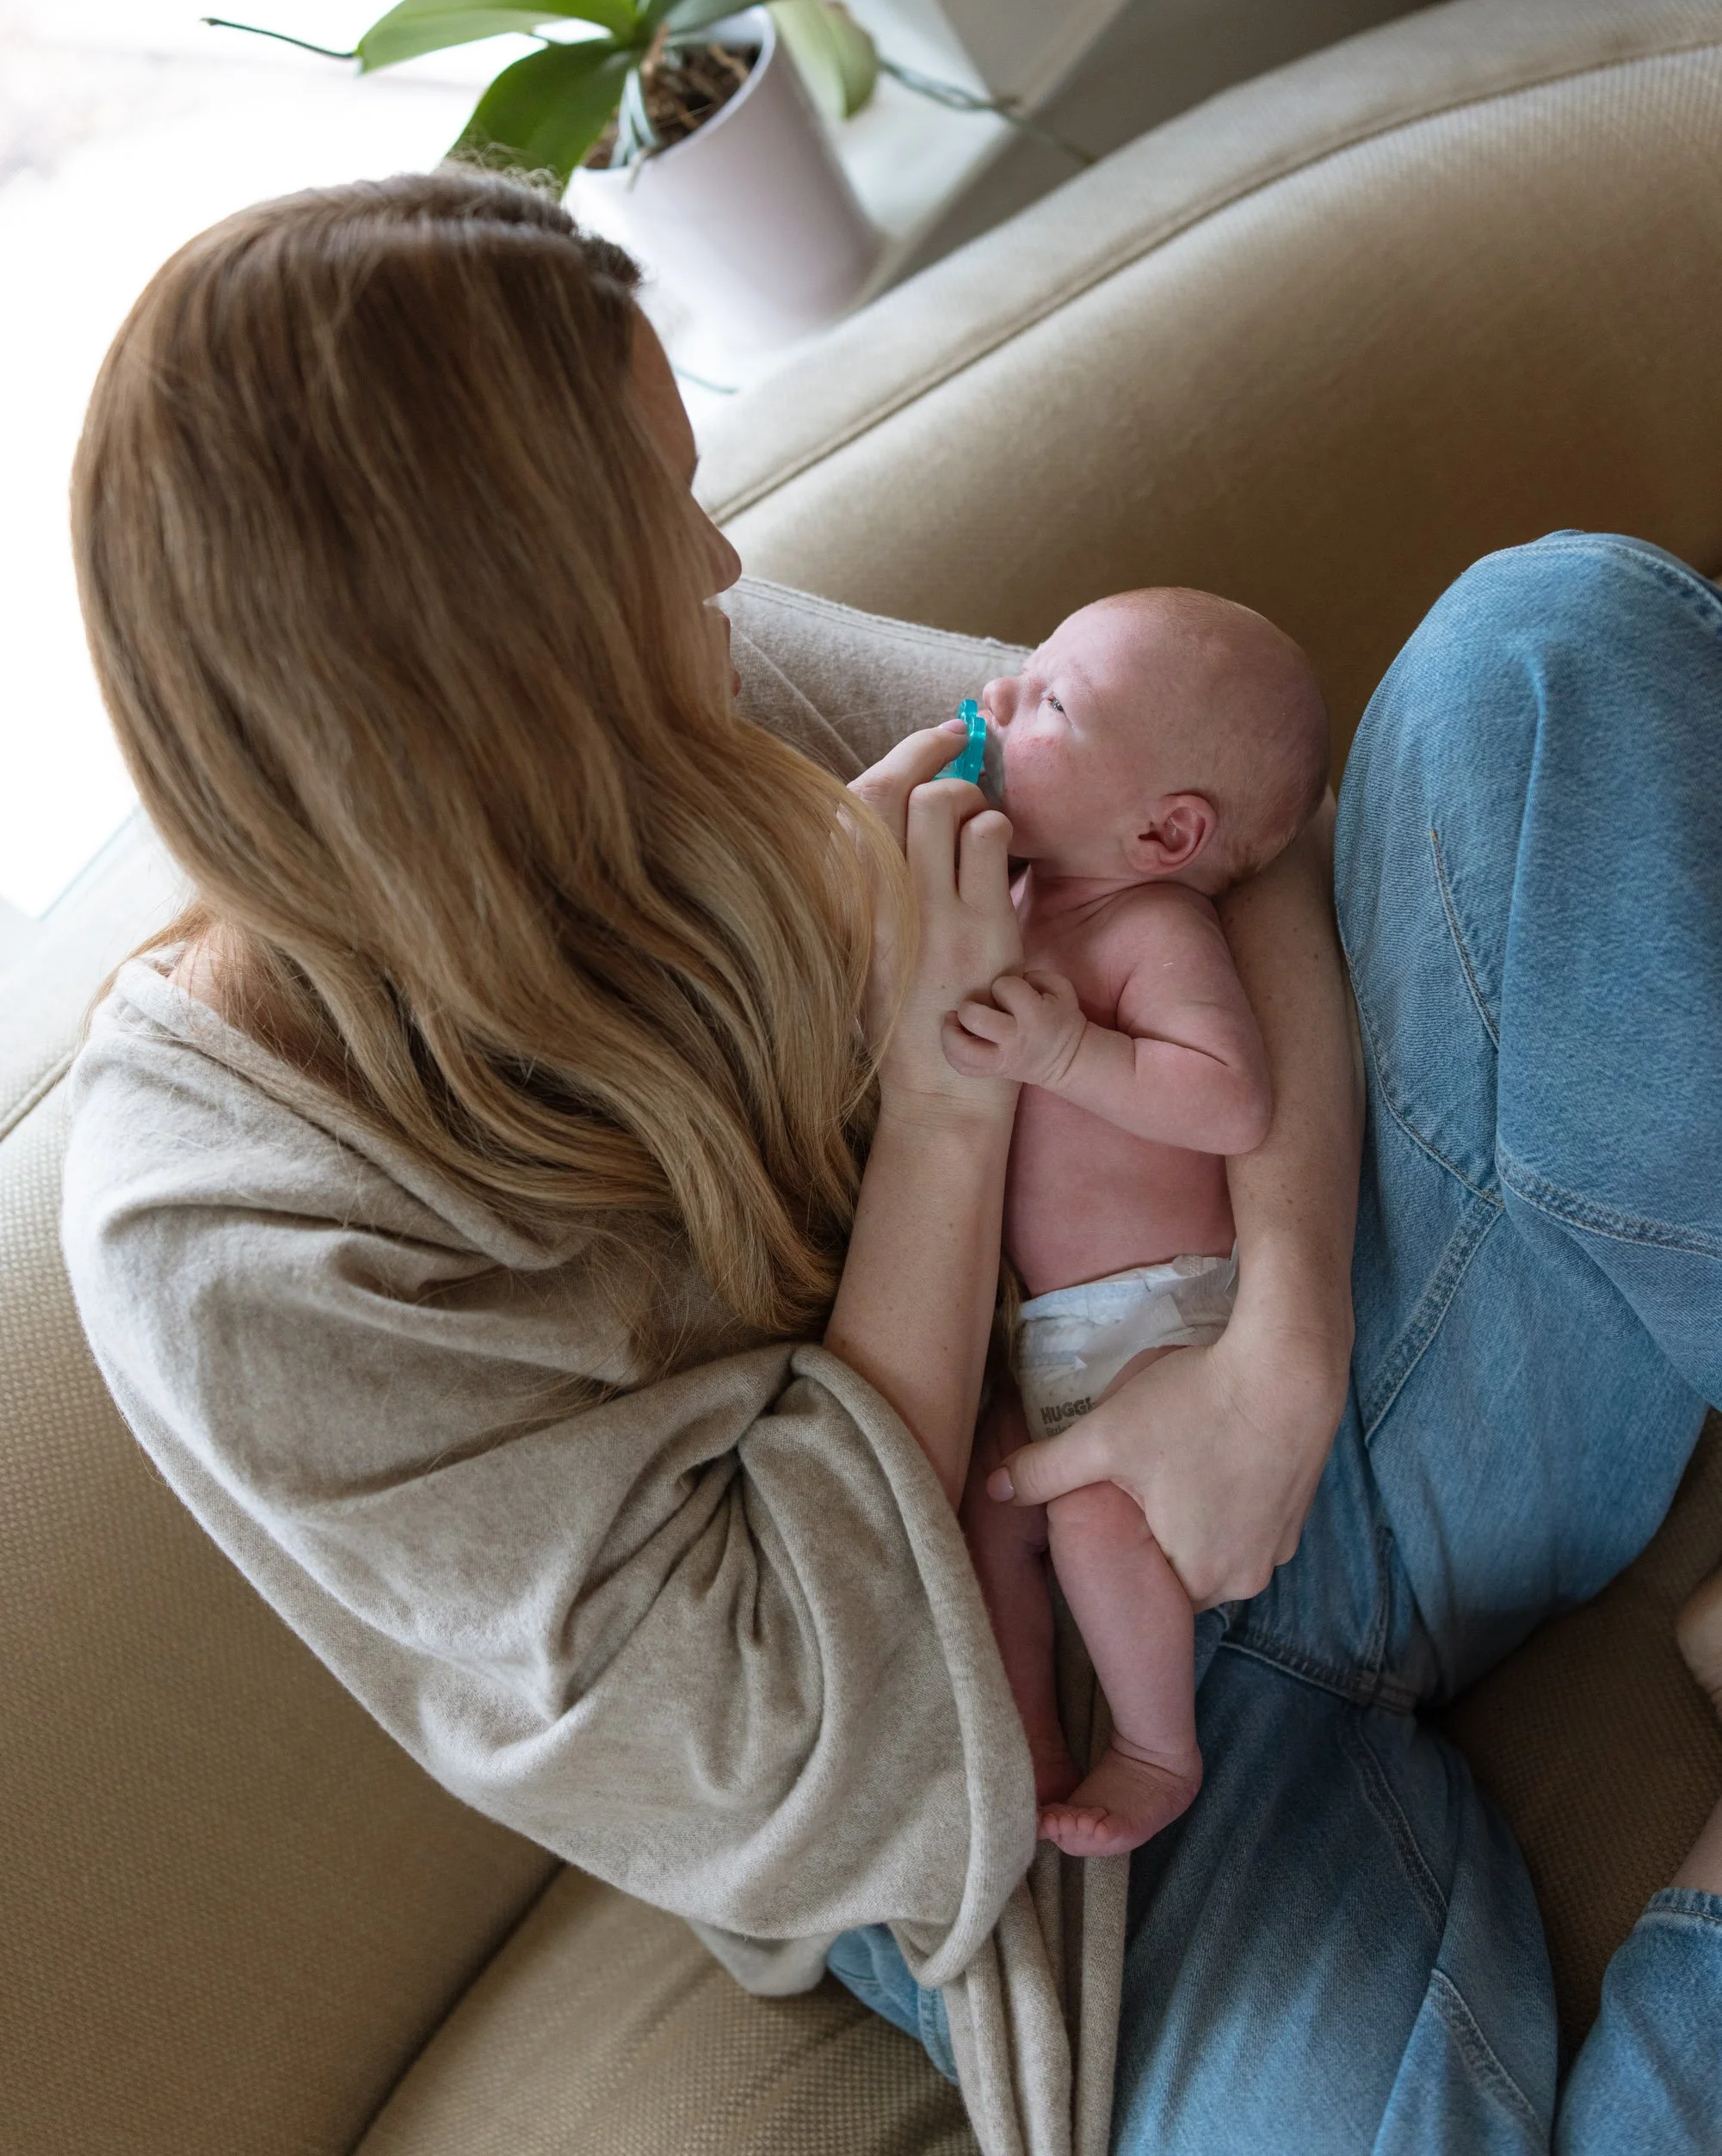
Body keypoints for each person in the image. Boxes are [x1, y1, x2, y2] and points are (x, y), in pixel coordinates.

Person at [59, 171, 1722, 2154]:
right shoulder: (227, 1223)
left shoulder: (700, 681)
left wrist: (1277, 1336)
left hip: (1339, 1405)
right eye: (650, 525)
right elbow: (783, 1723)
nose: (719, 557)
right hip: (1035, 1783)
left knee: (1542, 662)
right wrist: (941, 1096)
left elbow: (1220, 833)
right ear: (485, 655)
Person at [950, 588, 1330, 1857]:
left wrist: (1067, 1052)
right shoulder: (1022, 899)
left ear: (1167, 831)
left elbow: (1229, 1100)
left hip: (1169, 1322)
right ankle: (1034, 1745)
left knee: (1086, 1510)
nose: (1002, 699)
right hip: (1059, 1334)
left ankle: (1155, 1746)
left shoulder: (1149, 931)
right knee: (988, 1497)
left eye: (1054, 702)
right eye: (1025, 670)